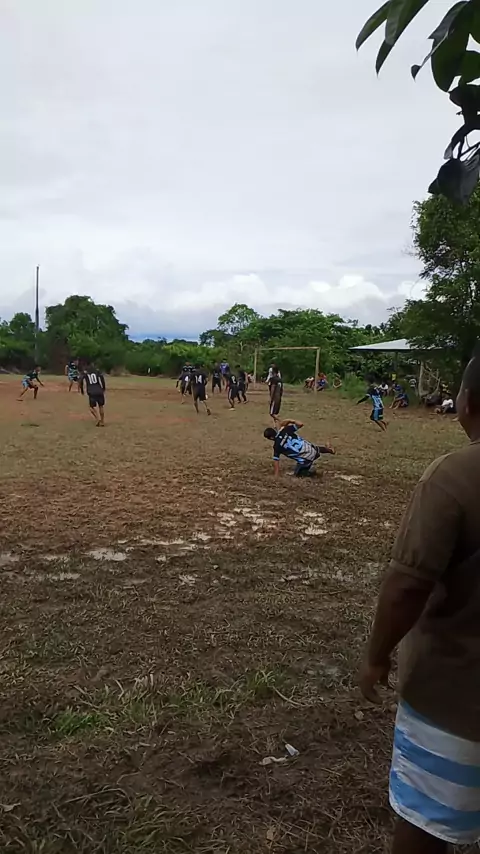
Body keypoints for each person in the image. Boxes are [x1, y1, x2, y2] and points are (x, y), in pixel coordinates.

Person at [358, 351, 480, 854]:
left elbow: (408, 585)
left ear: (467, 402)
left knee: (423, 828)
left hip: (457, 700)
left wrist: (376, 655)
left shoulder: (456, 476)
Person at [264, 419, 335, 477]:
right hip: (313, 450)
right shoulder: (285, 430)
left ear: (271, 438)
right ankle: (330, 450)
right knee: (312, 448)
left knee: (298, 474)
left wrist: (276, 475)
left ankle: (312, 472)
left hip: (306, 459)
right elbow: (300, 424)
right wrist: (290, 420)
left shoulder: (276, 446)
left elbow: (276, 461)